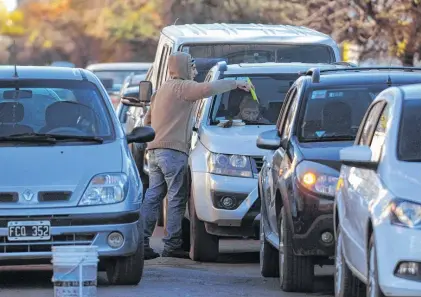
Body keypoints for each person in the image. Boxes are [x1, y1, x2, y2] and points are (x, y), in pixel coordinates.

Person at [142, 52, 252, 259]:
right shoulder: (182, 87)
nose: (194, 70)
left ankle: (140, 243)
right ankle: (172, 245)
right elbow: (207, 89)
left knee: (153, 197)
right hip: (173, 152)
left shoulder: (160, 90)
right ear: (183, 67)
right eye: (192, 65)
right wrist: (236, 83)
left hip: (154, 151)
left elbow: (147, 121)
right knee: (176, 198)